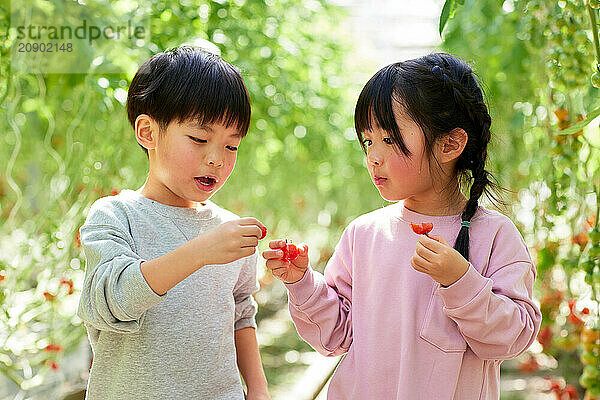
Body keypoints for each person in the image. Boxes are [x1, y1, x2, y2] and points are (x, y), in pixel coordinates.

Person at [263, 53, 541, 400]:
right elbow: (336, 336)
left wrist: (461, 281)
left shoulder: (494, 236)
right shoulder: (364, 234)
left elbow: (512, 337)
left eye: (390, 140)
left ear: (449, 144)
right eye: (368, 141)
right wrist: (302, 283)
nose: (373, 157)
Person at [77, 45, 270, 400]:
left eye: (232, 146)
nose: (216, 159)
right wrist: (199, 252)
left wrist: (257, 389)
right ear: (148, 132)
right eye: (199, 139)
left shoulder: (228, 229)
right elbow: (110, 301)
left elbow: (242, 312)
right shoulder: (115, 216)